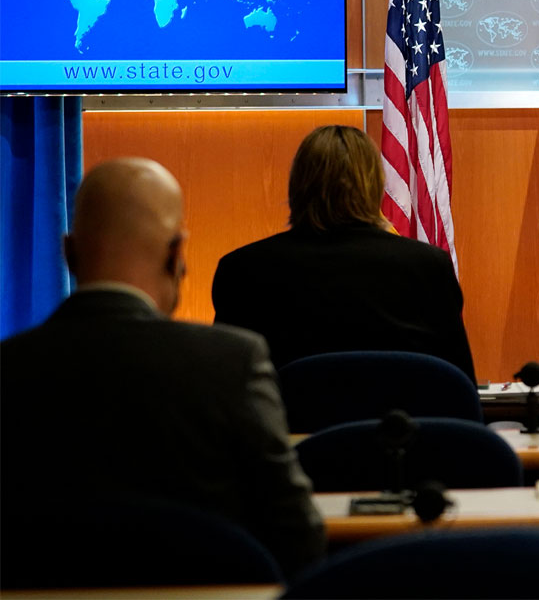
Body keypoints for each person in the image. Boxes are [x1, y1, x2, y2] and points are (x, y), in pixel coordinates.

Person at [0, 158, 325, 579]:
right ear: (176, 255)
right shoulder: (232, 363)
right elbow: (298, 535)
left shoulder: (8, 370)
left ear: (69, 253)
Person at [212, 125, 476, 383]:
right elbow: (460, 385)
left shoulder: (242, 270)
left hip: (293, 414)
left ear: (297, 185)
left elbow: (226, 390)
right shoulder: (429, 267)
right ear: (375, 186)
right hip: (401, 413)